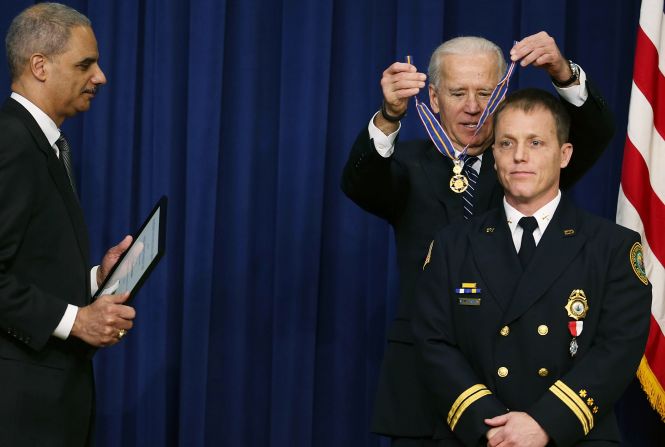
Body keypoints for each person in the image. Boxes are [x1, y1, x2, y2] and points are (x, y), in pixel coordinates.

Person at [341, 33, 615, 444]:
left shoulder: (524, 164)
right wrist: (388, 117)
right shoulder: (406, 164)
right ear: (433, 98)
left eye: (486, 92)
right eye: (457, 93)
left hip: (525, 388)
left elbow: (595, 132)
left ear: (503, 95)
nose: (473, 107)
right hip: (426, 393)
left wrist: (562, 73)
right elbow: (359, 184)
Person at [411, 88, 651, 446]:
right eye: (507, 144)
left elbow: (618, 350)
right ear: (494, 155)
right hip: (478, 435)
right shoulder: (453, 244)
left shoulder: (612, 247)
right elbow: (432, 342)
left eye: (536, 143)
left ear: (564, 154)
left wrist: (545, 423)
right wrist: (491, 425)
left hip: (573, 436)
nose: (519, 156)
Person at [0, 4, 136, 446]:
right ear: (39, 66)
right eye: (85, 64)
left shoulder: (43, 141)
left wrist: (95, 277)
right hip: (20, 408)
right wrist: (76, 321)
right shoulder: (11, 142)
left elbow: (27, 263)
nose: (101, 77)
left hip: (47, 400)